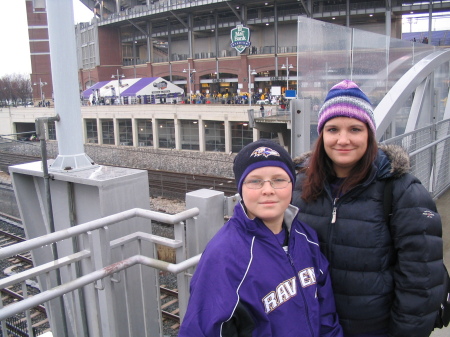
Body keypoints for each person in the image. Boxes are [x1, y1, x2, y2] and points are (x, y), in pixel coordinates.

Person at [292, 80, 444, 337]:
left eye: (354, 129)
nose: (343, 140)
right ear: (321, 135)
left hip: (372, 328)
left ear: (369, 134)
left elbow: (421, 279)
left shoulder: (400, 189)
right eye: (332, 129)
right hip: (313, 324)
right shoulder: (299, 185)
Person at [179, 139, 343, 337]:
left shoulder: (306, 237)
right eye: (255, 181)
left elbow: (326, 314)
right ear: (241, 189)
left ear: (292, 185)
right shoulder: (224, 256)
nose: (268, 189)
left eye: (279, 179)